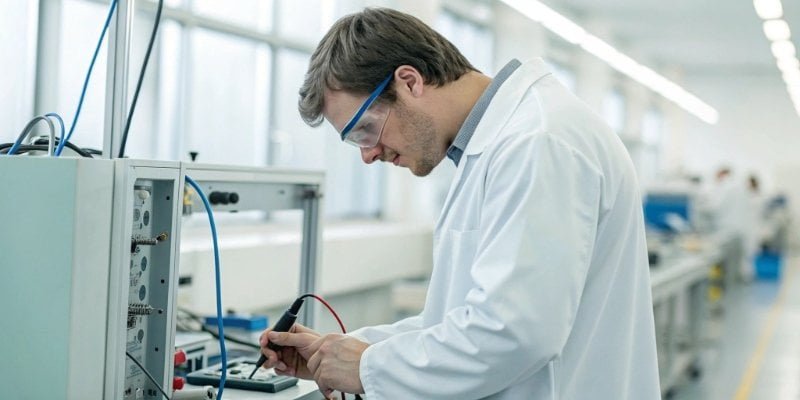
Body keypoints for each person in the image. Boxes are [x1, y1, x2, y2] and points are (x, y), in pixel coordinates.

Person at [258, 7, 660, 399]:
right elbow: (456, 324)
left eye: (365, 129)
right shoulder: (494, 145)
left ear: (410, 81)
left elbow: (515, 334)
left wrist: (367, 366)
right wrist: (341, 353)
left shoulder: (536, 141)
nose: (368, 154)